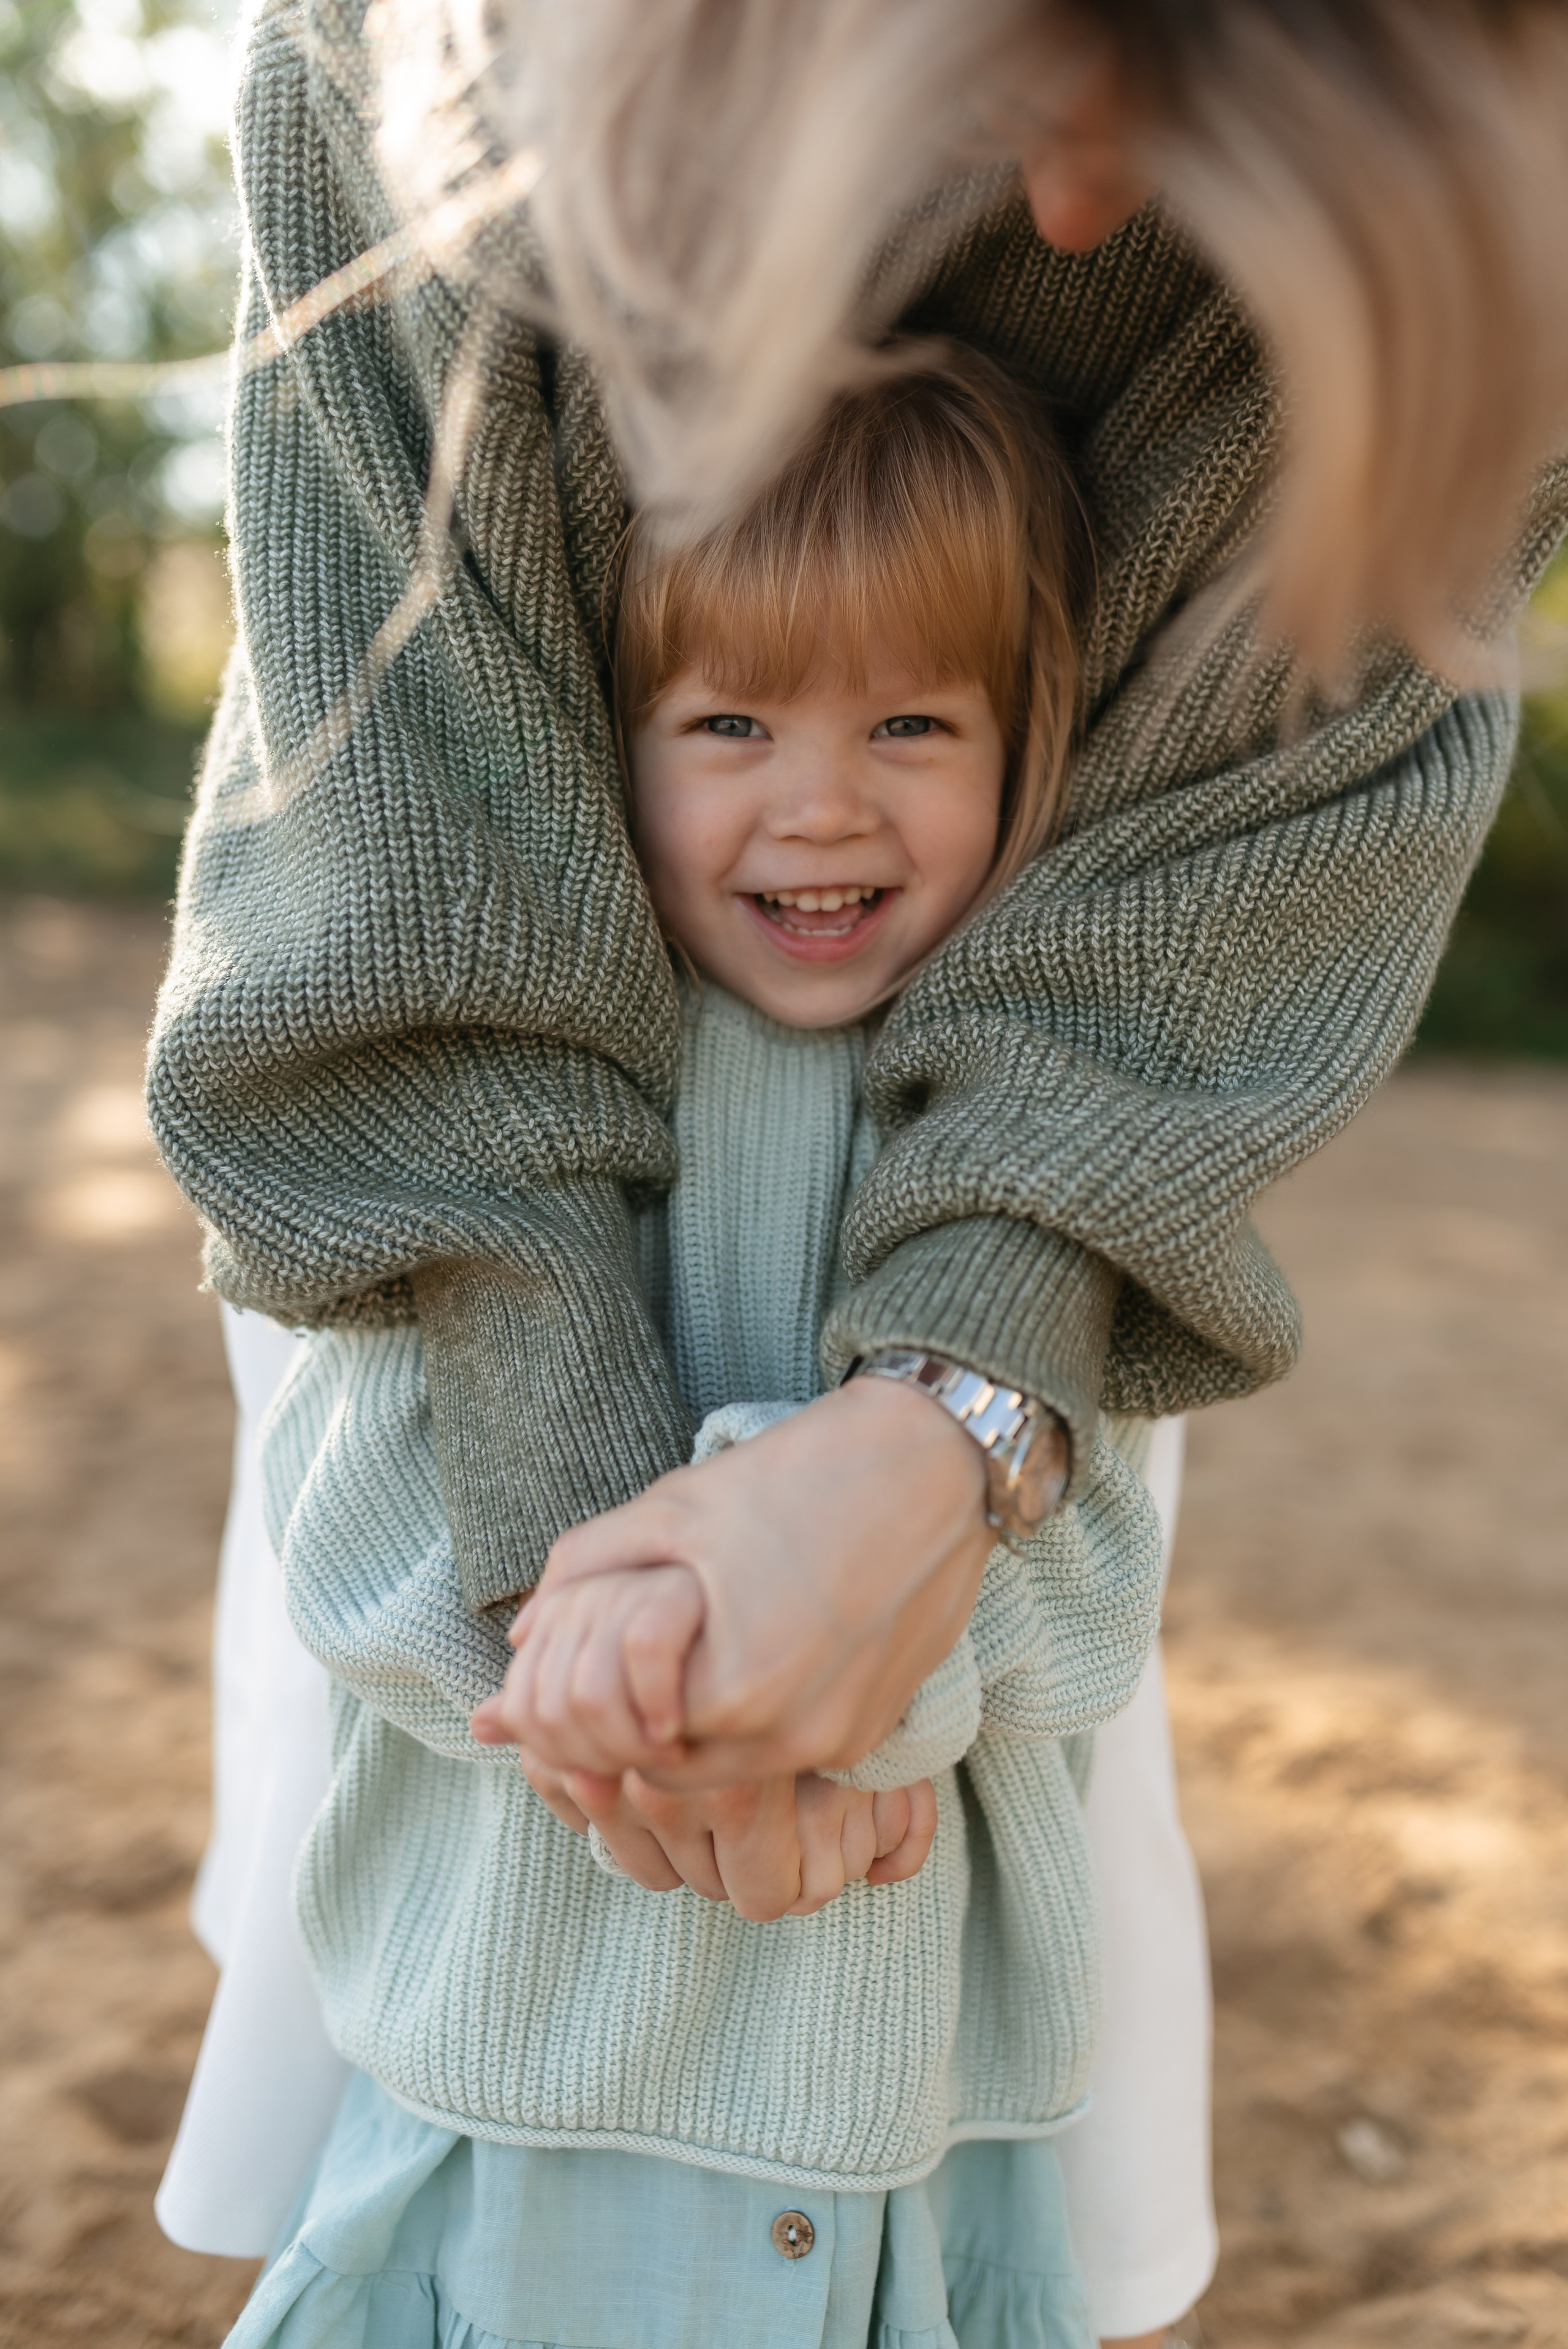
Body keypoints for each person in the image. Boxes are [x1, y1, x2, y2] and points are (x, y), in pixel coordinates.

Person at [146, 0, 1568, 2340]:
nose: (1087, 213)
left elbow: (1075, 1523)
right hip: (497, 1844)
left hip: (903, 2034)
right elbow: (412, 1079)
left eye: (914, 724)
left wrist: (938, 1479)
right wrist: (631, 1656)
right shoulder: (413, 75)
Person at [216, 352, 1167, 2348]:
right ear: (598, 743)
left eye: (913, 718)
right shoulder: (522, 1100)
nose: (822, 800)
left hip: (897, 2129)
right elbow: (356, 1531)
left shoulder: (1032, 1136)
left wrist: (849, 1671)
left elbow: (1084, 1597)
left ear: (1026, 740)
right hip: (522, 2085)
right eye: (729, 718)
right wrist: (701, 1665)